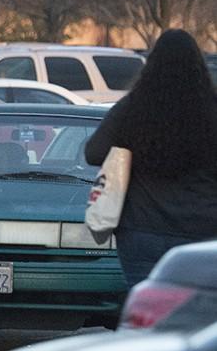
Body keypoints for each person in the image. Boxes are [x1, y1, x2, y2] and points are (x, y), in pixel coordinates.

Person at [84, 29, 217, 287]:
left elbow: (94, 152)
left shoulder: (133, 108)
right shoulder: (212, 111)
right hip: (204, 229)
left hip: (142, 231)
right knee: (198, 312)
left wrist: (133, 152)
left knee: (148, 310)